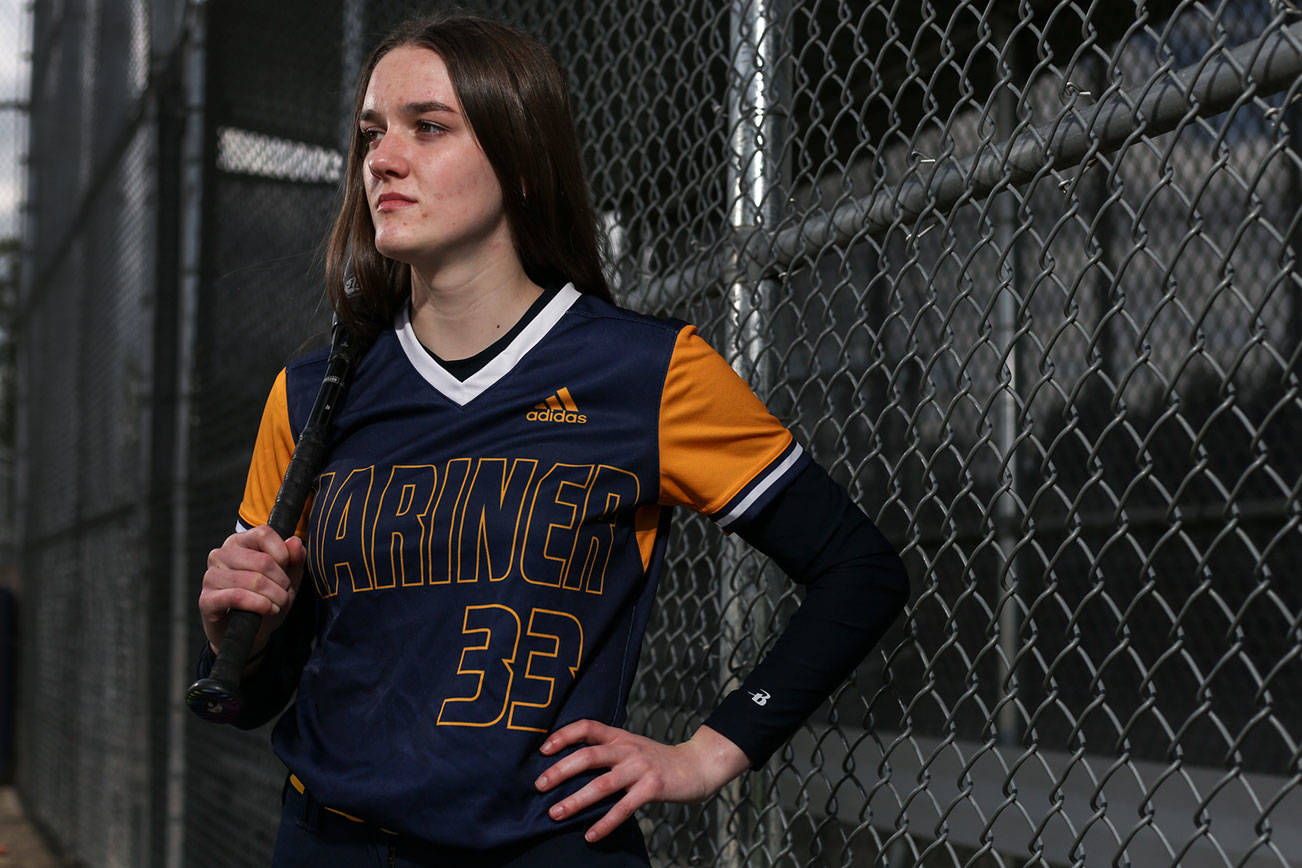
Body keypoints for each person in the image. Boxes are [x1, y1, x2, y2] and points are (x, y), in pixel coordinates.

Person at [196, 12, 908, 867]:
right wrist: (242, 631)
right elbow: (261, 694)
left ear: (522, 160)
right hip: (328, 844)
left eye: (429, 128)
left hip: (541, 845)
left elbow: (859, 571)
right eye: (370, 134)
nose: (382, 159)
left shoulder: (646, 373)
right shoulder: (311, 394)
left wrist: (710, 751)